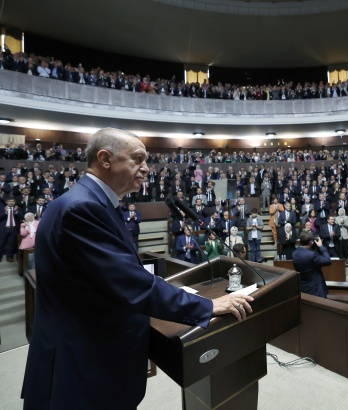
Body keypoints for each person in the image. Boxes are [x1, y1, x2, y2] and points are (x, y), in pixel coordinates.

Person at [22, 128, 253, 410]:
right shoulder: (83, 208)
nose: (146, 169)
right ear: (105, 159)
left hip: (86, 355)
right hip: (81, 365)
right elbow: (130, 283)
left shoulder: (90, 202)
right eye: (138, 159)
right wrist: (206, 306)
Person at [292, 230, 331, 297]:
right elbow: (327, 261)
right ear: (310, 242)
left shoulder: (294, 254)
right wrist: (321, 246)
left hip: (302, 288)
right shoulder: (312, 255)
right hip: (315, 289)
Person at [0, 197, 21, 262]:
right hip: (4, 229)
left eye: (13, 201)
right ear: (6, 202)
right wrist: (6, 212)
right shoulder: (2, 209)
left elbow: (21, 217)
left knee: (11, 243)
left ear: (15, 202)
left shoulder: (17, 209)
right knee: (1, 243)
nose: (11, 202)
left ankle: (10, 257)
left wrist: (16, 212)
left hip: (13, 229)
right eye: (9, 201)